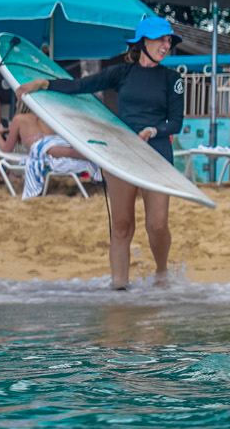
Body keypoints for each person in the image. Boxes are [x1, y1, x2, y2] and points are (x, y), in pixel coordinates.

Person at [17, 15, 184, 289]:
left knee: (157, 224)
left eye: (168, 40)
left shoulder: (172, 79)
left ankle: (162, 274)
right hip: (120, 153)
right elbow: (81, 86)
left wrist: (153, 131)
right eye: (160, 39)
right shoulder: (122, 73)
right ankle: (119, 288)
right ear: (143, 42)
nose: (166, 45)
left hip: (156, 155)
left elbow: (175, 121)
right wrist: (43, 84)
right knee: (121, 225)